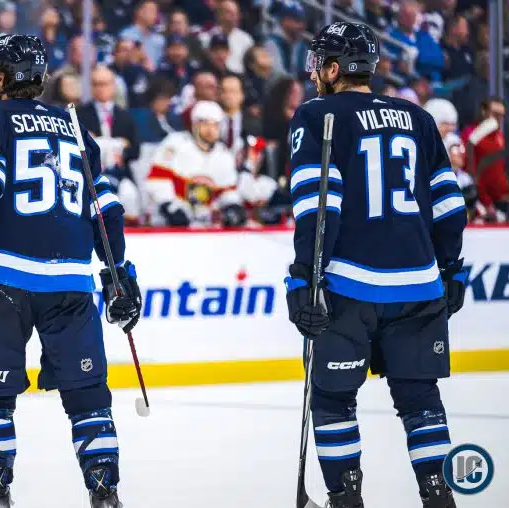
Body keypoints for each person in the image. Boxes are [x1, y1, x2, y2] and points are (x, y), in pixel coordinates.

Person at [0, 34, 141, 508]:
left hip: (4, 281)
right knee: (87, 394)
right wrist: (119, 271)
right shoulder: (77, 129)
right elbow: (107, 210)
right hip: (71, 284)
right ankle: (105, 493)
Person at [284, 22, 467, 508]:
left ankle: (346, 498)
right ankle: (438, 495)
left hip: (349, 287)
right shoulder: (418, 117)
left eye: (319, 63)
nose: (314, 73)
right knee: (421, 400)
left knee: (333, 398)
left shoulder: (317, 115)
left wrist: (304, 276)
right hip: (420, 286)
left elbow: (318, 207)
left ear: (333, 69)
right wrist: (450, 268)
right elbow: (450, 206)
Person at [146, 100, 246, 227]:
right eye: (205, 123)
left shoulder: (224, 155)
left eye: (215, 125)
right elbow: (157, 181)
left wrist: (233, 205)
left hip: (206, 224)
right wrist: (170, 206)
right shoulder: (174, 144)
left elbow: (227, 190)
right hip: (169, 223)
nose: (210, 130)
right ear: (194, 125)